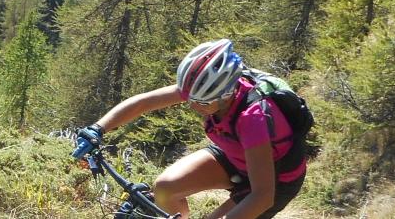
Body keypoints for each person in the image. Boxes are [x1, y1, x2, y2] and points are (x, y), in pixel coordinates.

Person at [72, 39, 306, 218]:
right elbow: (145, 102)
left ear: (225, 95)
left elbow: (262, 195)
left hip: (275, 180)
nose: (191, 104)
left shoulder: (252, 118)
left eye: (201, 103)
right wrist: (98, 128)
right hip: (237, 155)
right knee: (165, 188)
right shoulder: (204, 89)